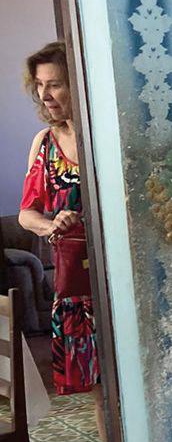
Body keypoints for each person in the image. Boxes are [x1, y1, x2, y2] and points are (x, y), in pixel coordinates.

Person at [19, 41, 101, 405]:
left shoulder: (103, 137)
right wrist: (52, 225)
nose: (45, 94)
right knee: (99, 392)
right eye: (39, 85)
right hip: (73, 284)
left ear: (78, 83)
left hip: (116, 279)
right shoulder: (44, 144)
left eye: (54, 84)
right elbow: (26, 214)